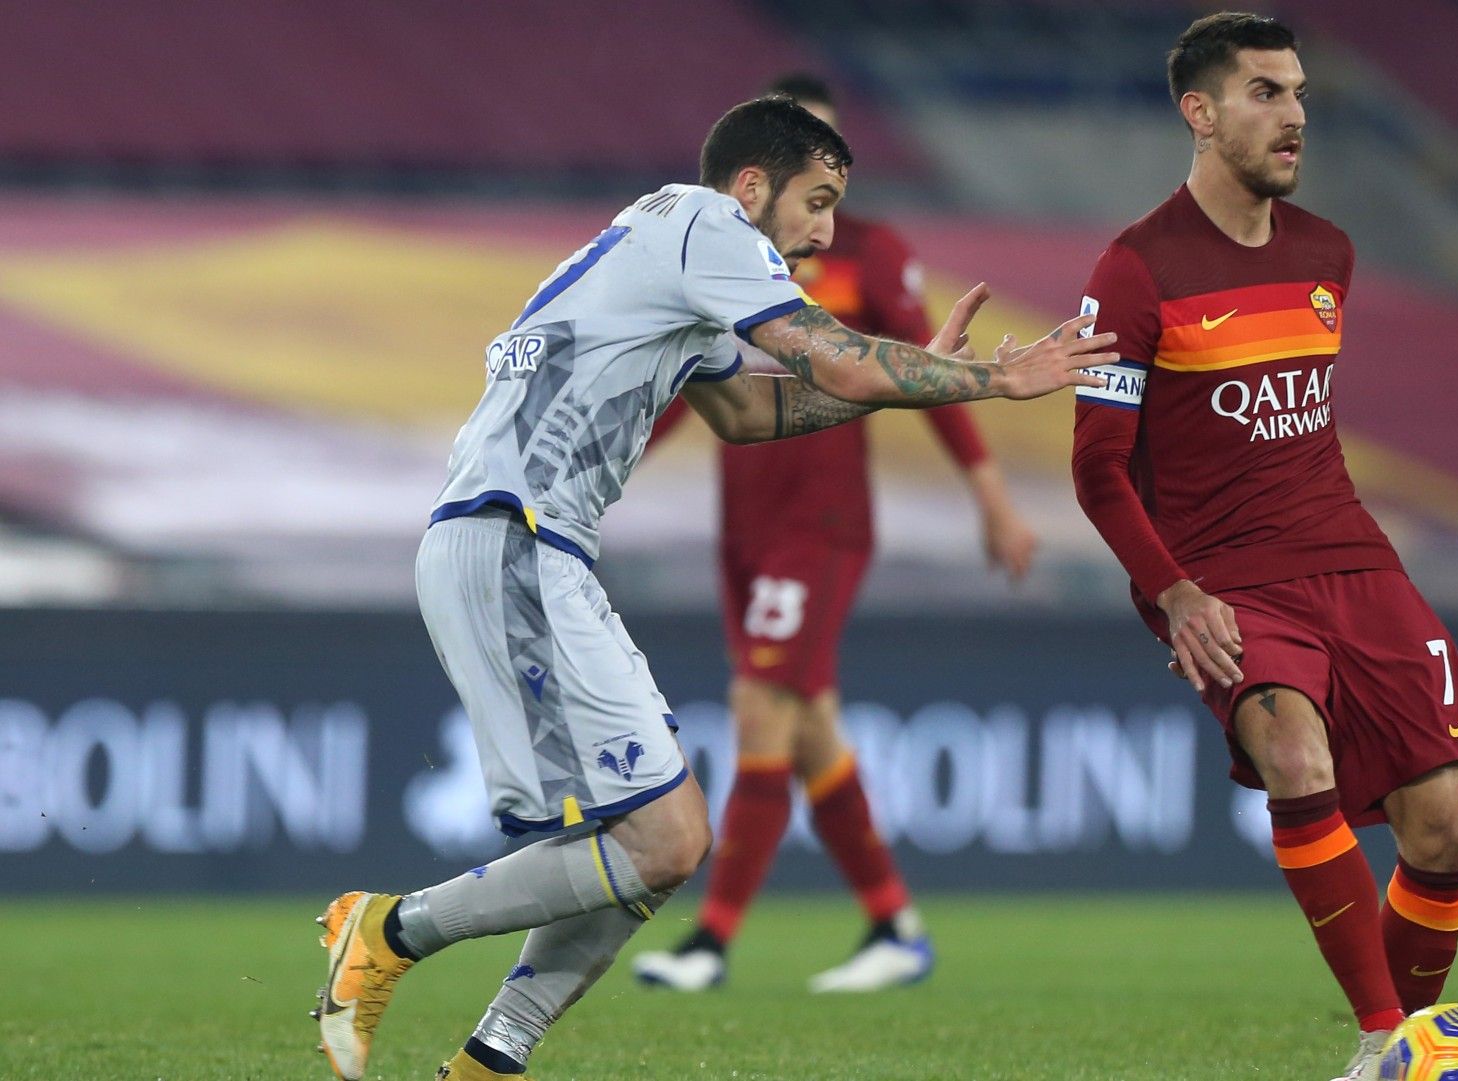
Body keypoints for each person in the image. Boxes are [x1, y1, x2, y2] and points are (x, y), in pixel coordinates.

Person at [312, 94, 1116, 1081]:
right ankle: (389, 929)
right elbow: (837, 363)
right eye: (816, 201)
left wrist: (908, 376)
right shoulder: (707, 224)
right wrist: (990, 379)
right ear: (752, 185)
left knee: (662, 841)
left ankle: (488, 1060)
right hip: (514, 539)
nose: (825, 231)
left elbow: (747, 410)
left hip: (532, 548)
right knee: (662, 839)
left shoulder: (664, 253)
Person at [1068, 14, 1458, 1081]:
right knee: (1296, 760)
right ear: (1201, 113)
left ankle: (1399, 1051)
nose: (1294, 113)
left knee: (1445, 827)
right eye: (1265, 92)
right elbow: (1098, 469)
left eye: (1300, 91)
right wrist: (1173, 593)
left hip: (1351, 556)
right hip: (1223, 579)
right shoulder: (1133, 270)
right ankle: (1383, 1041)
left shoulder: (1327, 254)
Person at [631, 73, 1034, 995]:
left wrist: (992, 497)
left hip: (820, 522)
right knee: (809, 724)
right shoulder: (720, 260)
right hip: (744, 520)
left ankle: (710, 941)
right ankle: (894, 923)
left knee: (760, 706)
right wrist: (614, 465)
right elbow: (697, 385)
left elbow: (926, 374)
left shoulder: (868, 253)